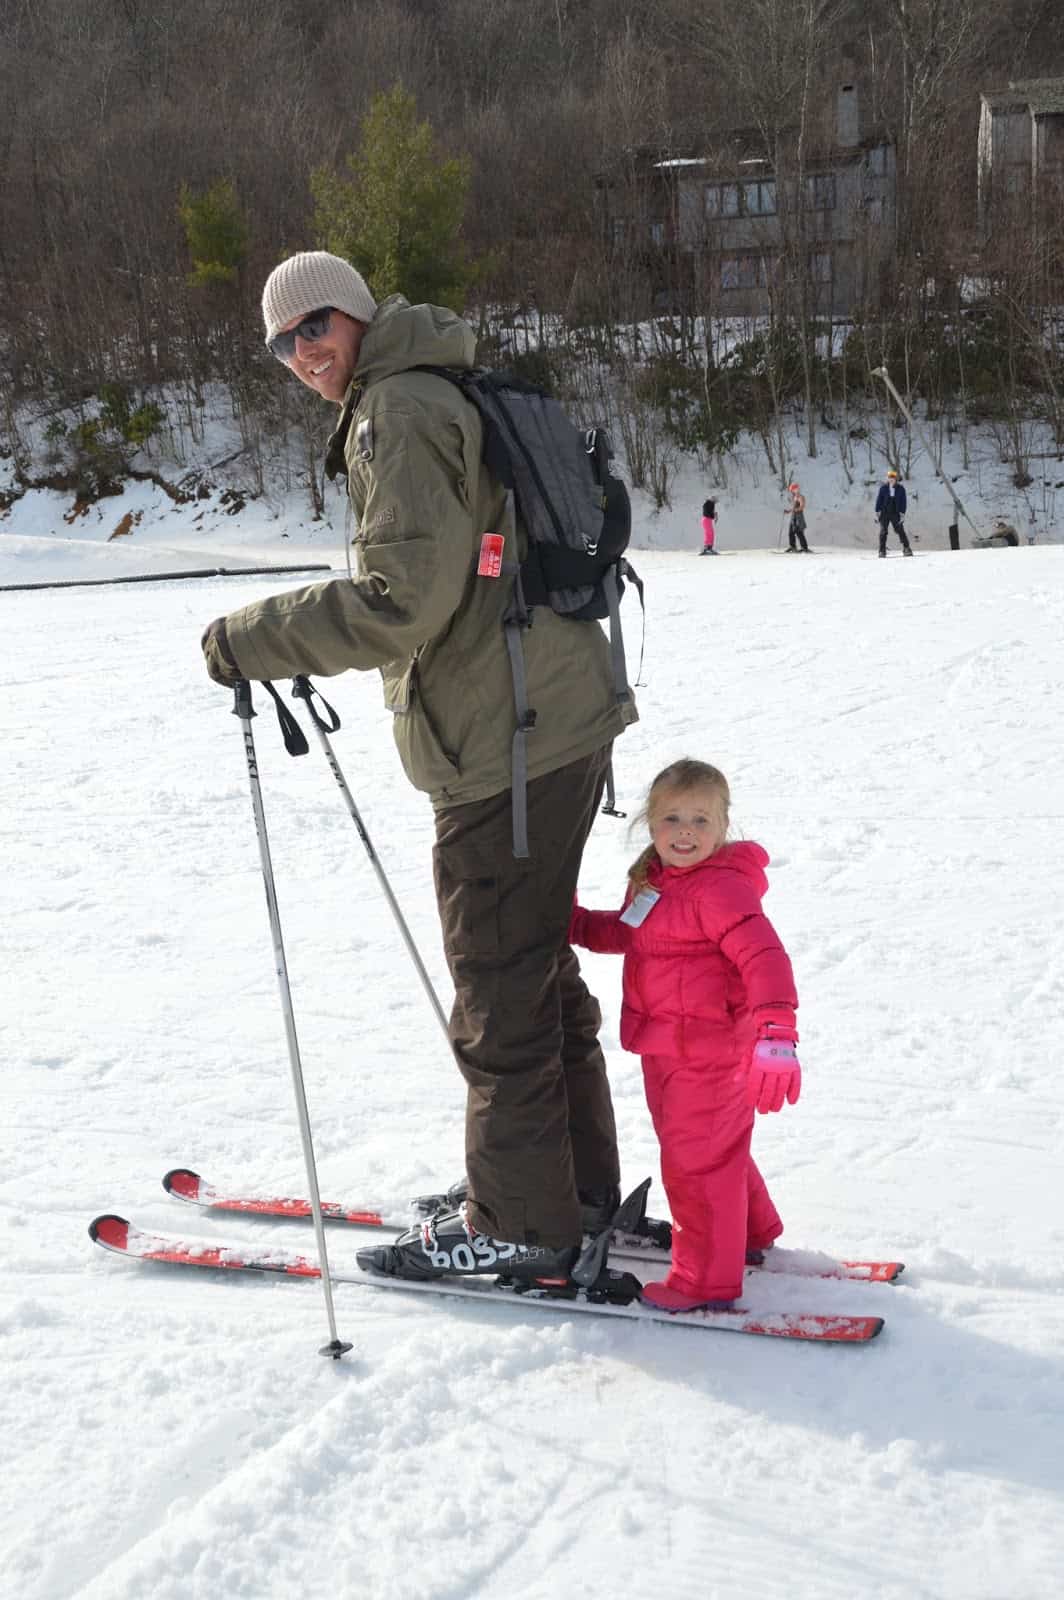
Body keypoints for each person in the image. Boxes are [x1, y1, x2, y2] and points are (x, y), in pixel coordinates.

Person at [200, 250, 638, 1288]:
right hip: (551, 716)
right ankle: (561, 1188)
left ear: (356, 316)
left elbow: (401, 599)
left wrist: (248, 637)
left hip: (507, 738)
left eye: (316, 326)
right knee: (530, 966)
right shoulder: (434, 384)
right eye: (283, 340)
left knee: (498, 982)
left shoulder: (395, 409)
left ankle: (523, 1219)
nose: (303, 351)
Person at [569, 759, 800, 1313]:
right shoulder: (652, 881)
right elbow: (626, 934)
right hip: (667, 1050)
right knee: (711, 1151)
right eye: (672, 817)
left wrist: (777, 1029)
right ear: (650, 823)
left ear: (723, 828)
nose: (686, 831)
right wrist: (572, 923)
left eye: (701, 819)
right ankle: (749, 1230)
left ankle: (705, 1281)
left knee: (695, 1164)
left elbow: (764, 956)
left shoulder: (722, 890)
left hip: (714, 1052)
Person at [874, 469, 913, 557]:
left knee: (900, 530)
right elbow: (879, 500)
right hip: (884, 512)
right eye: (889, 477)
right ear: (887, 478)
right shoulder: (883, 488)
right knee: (883, 531)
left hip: (895, 512)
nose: (891, 479)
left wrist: (902, 513)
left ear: (896, 479)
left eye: (893, 477)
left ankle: (906, 548)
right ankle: (882, 551)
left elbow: (903, 501)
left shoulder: (901, 489)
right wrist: (877, 511)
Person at [786, 483, 810, 552]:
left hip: (798, 517)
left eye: (792, 490)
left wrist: (795, 510)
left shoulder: (801, 497)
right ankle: (792, 546)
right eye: (791, 490)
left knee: (798, 532)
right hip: (793, 517)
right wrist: (788, 511)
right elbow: (793, 508)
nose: (791, 492)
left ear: (796, 489)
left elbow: (802, 507)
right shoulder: (794, 497)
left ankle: (804, 547)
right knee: (791, 532)